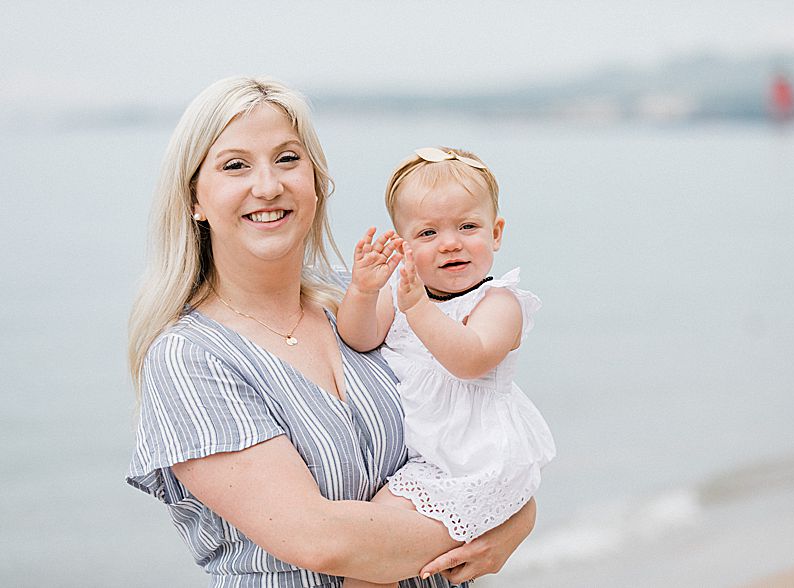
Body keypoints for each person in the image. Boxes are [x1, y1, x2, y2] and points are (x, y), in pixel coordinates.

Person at [125, 77, 533, 587]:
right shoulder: (189, 358)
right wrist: (496, 518)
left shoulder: (370, 297)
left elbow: (481, 435)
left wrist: (517, 514)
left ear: (316, 182)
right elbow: (322, 541)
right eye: (235, 166)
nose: (267, 186)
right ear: (195, 199)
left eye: (287, 159)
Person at [335, 147, 555, 587]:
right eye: (428, 232)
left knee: (367, 554)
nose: (450, 243)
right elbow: (360, 337)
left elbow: (469, 360)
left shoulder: (499, 302)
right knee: (372, 561)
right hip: (431, 459)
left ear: (496, 233)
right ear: (403, 246)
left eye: (467, 227)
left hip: (474, 460)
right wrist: (363, 290)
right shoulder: (401, 295)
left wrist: (418, 309)